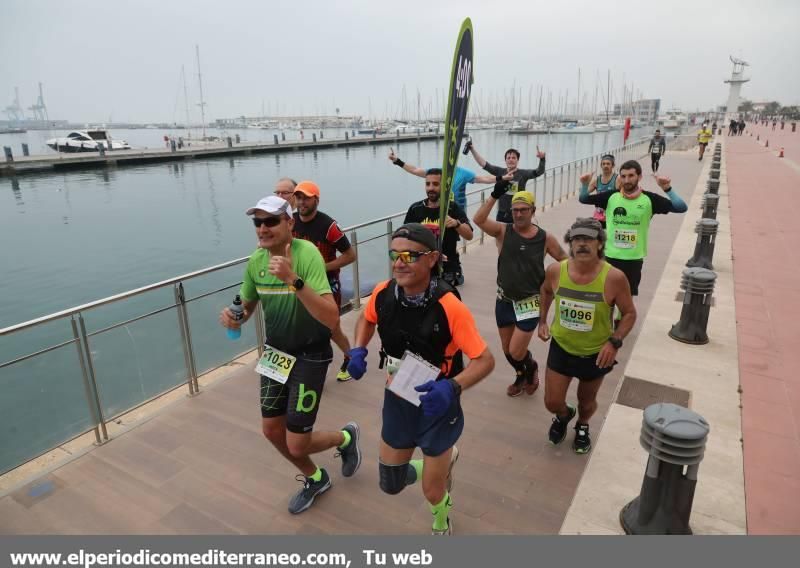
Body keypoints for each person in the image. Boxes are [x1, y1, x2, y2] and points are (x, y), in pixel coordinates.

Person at [346, 223, 495, 535]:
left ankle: (441, 512)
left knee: (432, 490)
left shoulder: (450, 307)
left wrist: (452, 387)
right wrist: (358, 349)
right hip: (398, 396)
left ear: (433, 259)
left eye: (410, 256)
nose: (400, 262)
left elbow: (485, 360)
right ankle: (441, 465)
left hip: (437, 403)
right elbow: (365, 318)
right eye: (395, 254)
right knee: (390, 483)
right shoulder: (383, 293)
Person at [219, 195, 362, 515]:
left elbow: (330, 317)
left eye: (271, 221)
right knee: (271, 430)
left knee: (297, 441)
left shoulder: (306, 253)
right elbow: (247, 306)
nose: (263, 228)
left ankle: (345, 438)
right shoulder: (256, 261)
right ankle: (316, 478)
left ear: (289, 223)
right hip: (275, 353)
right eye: (258, 222)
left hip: (311, 353)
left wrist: (292, 280)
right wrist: (234, 318)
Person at [538, 218, 636, 454]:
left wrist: (614, 343)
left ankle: (582, 425)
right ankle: (563, 415)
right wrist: (542, 320)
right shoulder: (555, 271)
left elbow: (630, 313)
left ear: (600, 244)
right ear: (570, 244)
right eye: (576, 239)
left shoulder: (614, 278)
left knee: (586, 400)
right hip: (562, 346)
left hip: (596, 353)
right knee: (552, 402)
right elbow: (545, 291)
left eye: (588, 239)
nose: (582, 244)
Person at [473, 189, 566, 397]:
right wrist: (495, 195)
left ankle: (530, 367)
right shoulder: (503, 231)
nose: (519, 214)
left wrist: (579, 280)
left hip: (530, 303)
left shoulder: (545, 238)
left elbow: (565, 261)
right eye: (515, 210)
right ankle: (521, 375)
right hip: (504, 301)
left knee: (516, 351)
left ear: (533, 211)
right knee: (508, 351)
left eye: (524, 210)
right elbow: (478, 219)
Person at [578, 160, 687, 318]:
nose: (627, 180)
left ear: (639, 176)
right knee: (605, 292)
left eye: (631, 176)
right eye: (623, 176)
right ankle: (605, 322)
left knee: (626, 296)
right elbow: (584, 199)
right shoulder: (611, 197)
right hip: (610, 255)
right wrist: (584, 183)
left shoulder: (649, 199)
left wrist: (667, 189)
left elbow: (681, 207)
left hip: (634, 258)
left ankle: (620, 323)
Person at [292, 180, 358, 382]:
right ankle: (314, 364)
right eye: (299, 197)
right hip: (299, 283)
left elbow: (350, 255)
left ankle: (350, 357)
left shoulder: (329, 226)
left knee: (331, 328)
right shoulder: (290, 221)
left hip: (327, 284)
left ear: (316, 200)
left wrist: (322, 268)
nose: (302, 202)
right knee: (301, 325)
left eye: (307, 198)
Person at [403, 168, 474, 287]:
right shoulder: (415, 209)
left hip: (447, 268)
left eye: (435, 184)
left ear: (444, 186)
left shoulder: (452, 208)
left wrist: (456, 224)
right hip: (423, 267)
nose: (431, 188)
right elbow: (405, 240)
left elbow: (469, 235)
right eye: (427, 184)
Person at [387, 148, 510, 212]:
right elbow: (415, 170)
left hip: (458, 213)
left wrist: (501, 178)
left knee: (453, 244)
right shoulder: (437, 172)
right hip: (439, 211)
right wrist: (397, 161)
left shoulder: (463, 173)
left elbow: (483, 178)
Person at [466, 143, 546, 223]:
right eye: (509, 158)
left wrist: (542, 159)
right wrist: (472, 150)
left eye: (514, 158)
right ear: (506, 160)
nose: (511, 159)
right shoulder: (500, 171)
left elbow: (539, 172)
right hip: (502, 213)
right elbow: (483, 164)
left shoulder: (523, 173)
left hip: (518, 213)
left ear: (517, 160)